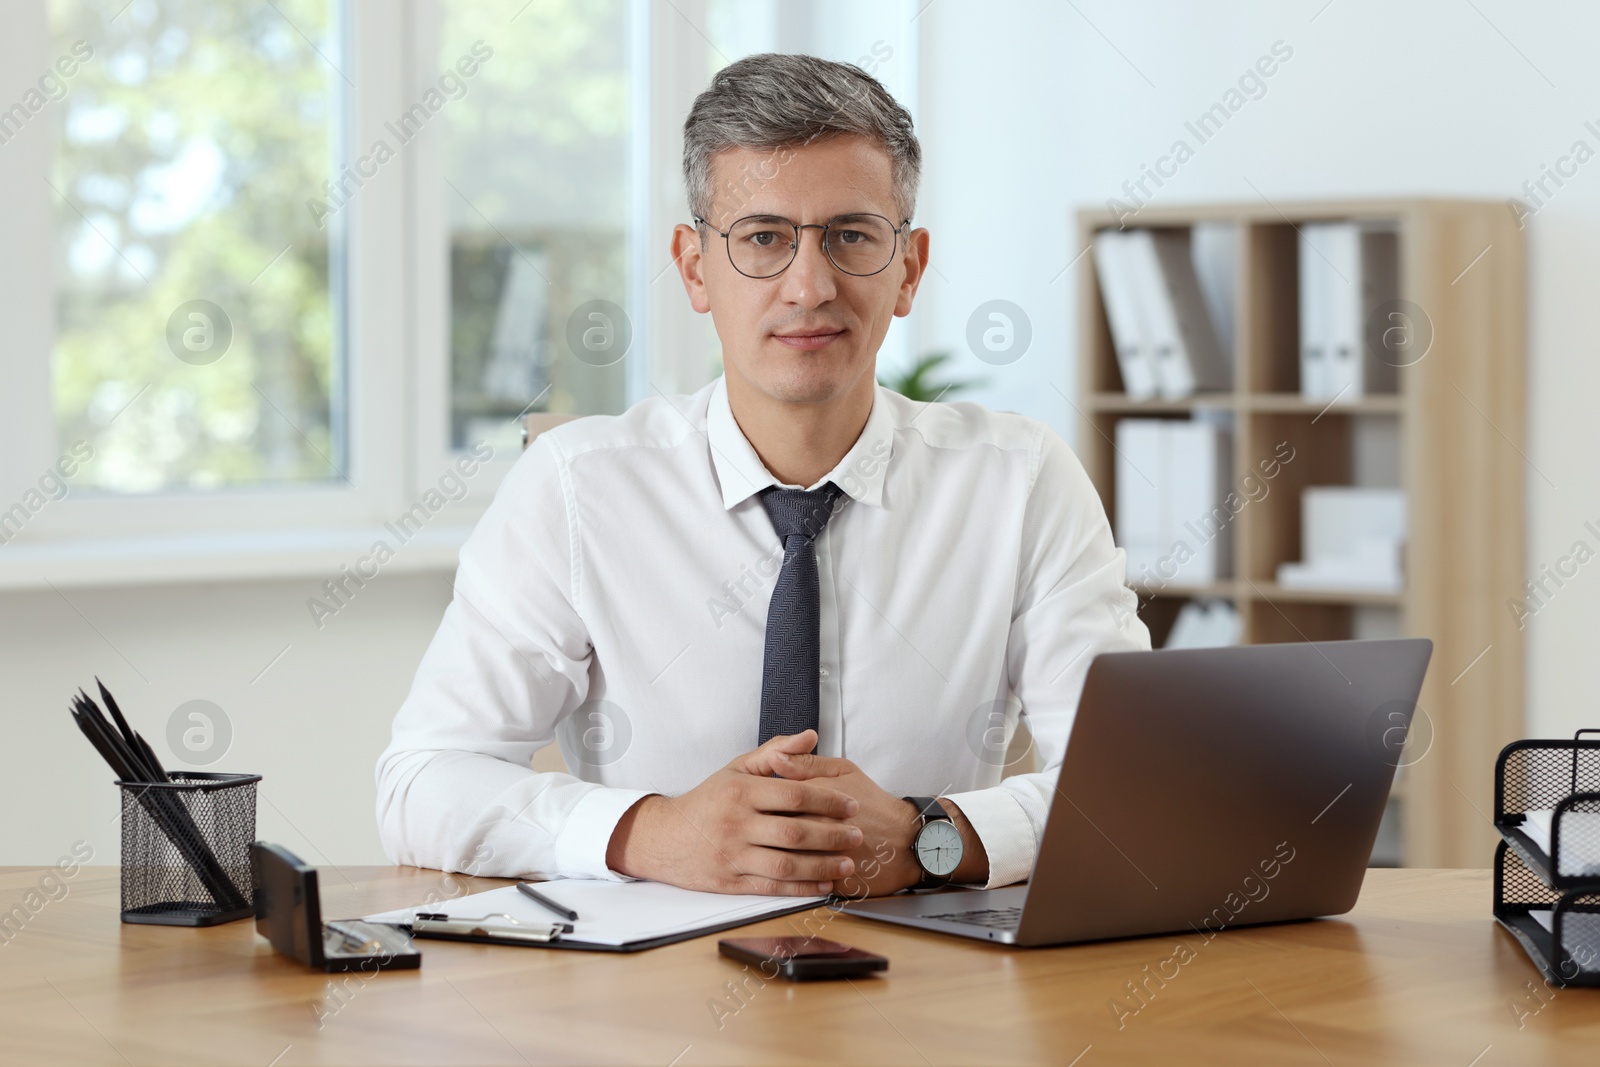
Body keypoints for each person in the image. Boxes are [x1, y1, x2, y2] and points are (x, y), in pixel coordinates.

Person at [376, 52, 1148, 898]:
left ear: (910, 270)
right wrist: (651, 831)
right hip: (651, 993)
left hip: (932, 991)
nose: (809, 286)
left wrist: (934, 835)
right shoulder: (575, 488)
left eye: (851, 236)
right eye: (763, 239)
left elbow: (1135, 789)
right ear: (695, 266)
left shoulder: (1022, 481)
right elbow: (422, 780)